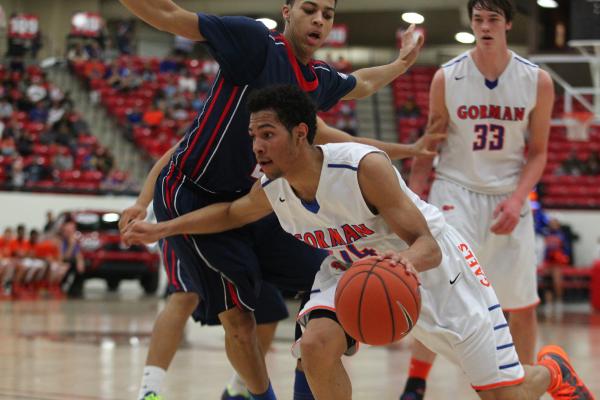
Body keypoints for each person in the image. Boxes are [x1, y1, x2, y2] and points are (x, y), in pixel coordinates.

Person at [123, 84, 594, 400]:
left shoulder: (361, 167)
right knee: (316, 344)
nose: (257, 147)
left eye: (267, 134)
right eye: (253, 137)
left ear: (301, 133)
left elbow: (425, 243)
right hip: (355, 272)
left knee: (504, 395)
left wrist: (403, 265)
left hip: (438, 271)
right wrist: (161, 227)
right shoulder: (274, 188)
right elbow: (230, 213)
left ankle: (552, 371)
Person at [116, 1, 441, 399]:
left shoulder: (314, 84)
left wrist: (404, 63)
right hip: (191, 196)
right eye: (309, 9)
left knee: (325, 279)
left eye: (328, 13)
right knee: (238, 319)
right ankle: (247, 395)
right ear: (287, 11)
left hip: (252, 204)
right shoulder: (255, 44)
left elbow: (365, 86)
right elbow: (169, 16)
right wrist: (145, 199)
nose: (319, 19)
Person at [404, 0, 555, 398]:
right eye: (478, 19)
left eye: (492, 19)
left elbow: (538, 152)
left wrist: (519, 197)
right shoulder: (447, 77)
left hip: (508, 193)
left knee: (521, 303)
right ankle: (416, 382)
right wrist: (413, 194)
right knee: (443, 292)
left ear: (507, 23)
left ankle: (521, 383)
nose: (484, 27)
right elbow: (431, 142)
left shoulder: (536, 80)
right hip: (455, 190)